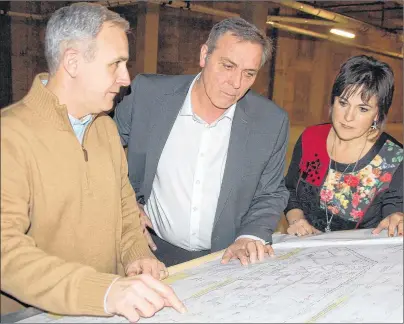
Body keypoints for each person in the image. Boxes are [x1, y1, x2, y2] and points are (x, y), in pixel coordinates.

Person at [0, 3, 186, 322]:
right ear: (72, 62)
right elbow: (5, 250)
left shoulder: (105, 129)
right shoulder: (10, 136)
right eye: (115, 64)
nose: (126, 78)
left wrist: (136, 256)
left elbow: (127, 212)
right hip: (33, 314)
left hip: (108, 306)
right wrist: (101, 291)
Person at [114, 17, 290, 267]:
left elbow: (271, 192)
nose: (236, 84)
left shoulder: (271, 122)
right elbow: (100, 148)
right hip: (149, 250)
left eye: (248, 74)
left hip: (225, 259)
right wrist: (123, 202)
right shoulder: (148, 95)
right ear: (204, 55)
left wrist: (249, 236)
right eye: (228, 66)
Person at [284, 55, 403, 237]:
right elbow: (290, 189)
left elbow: (394, 210)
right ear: (333, 101)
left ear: (377, 114)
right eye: (343, 103)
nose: (348, 117)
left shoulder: (393, 157)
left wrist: (397, 218)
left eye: (363, 109)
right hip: (303, 254)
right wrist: (297, 220)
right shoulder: (311, 138)